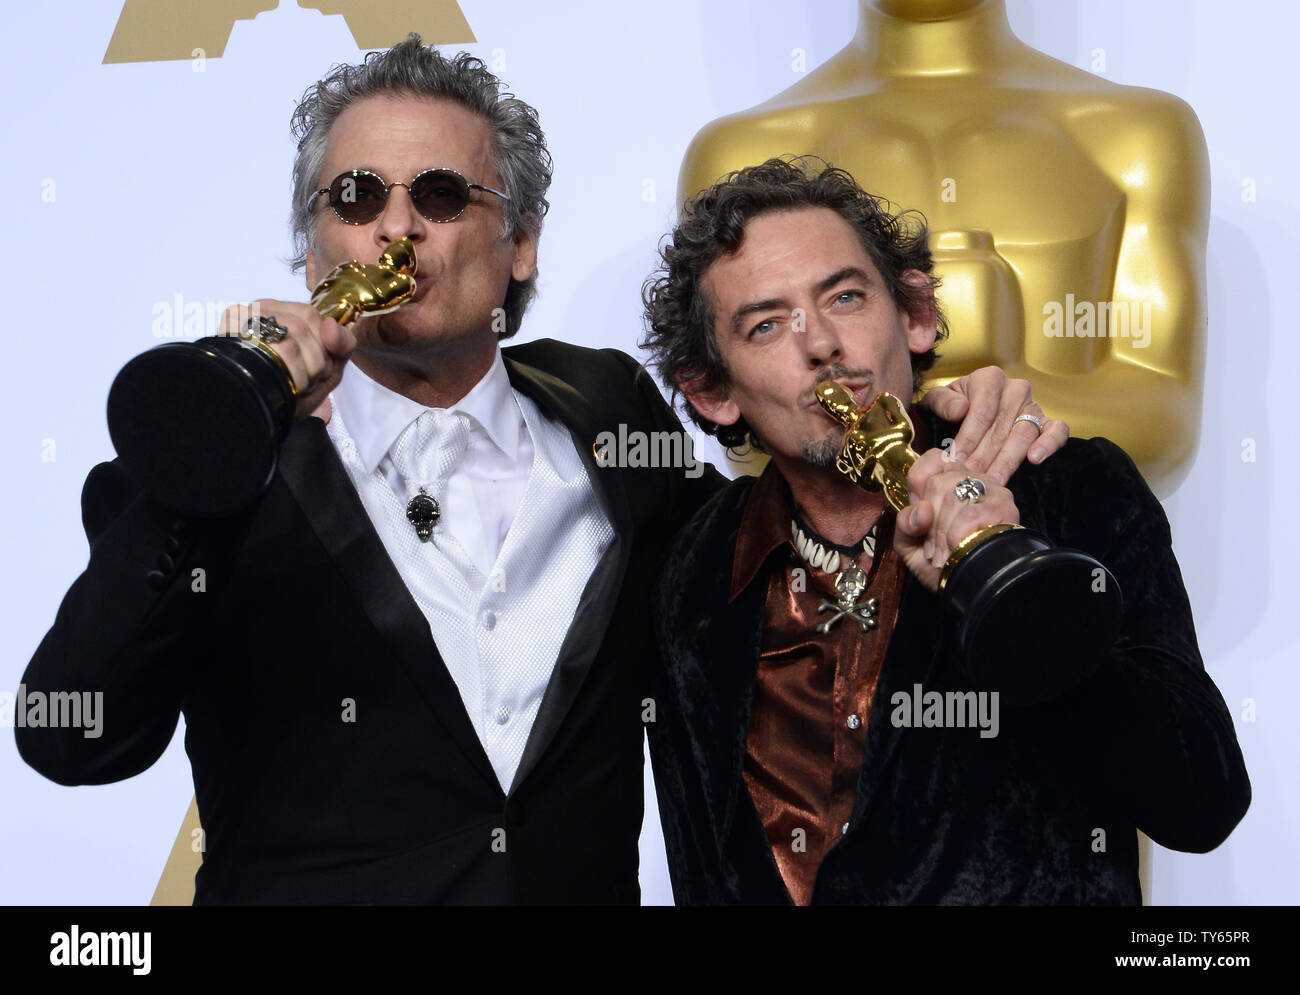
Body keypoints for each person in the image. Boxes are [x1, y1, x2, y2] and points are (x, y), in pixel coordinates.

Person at [16, 39, 1062, 905]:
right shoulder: (206, 478)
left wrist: (945, 417)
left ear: (518, 243)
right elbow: (72, 735)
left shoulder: (608, 411)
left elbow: (779, 527)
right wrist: (210, 445)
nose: (394, 225)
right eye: (354, 195)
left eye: (437, 193)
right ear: (312, 250)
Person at [640, 157, 1250, 905]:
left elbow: (1203, 800)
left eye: (846, 296)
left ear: (916, 313)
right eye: (767, 324)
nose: (822, 342)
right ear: (712, 388)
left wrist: (1028, 601)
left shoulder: (1066, 487)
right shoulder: (686, 573)